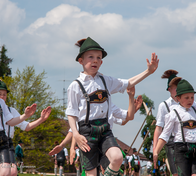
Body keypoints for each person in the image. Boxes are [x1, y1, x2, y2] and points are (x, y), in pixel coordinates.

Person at [66, 37, 158, 176]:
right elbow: (71, 113)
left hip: (105, 130)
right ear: (81, 61)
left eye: (98, 57)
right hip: (86, 133)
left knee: (117, 158)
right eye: (90, 57)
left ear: (101, 62)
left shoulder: (106, 81)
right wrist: (76, 134)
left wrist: (148, 72)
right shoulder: (75, 86)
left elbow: (128, 82)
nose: (95, 60)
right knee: (91, 174)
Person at [0, 80, 51, 176]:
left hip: (5, 142)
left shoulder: (10, 110)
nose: (1, 96)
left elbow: (26, 126)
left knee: (12, 172)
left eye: (4, 94)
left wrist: (41, 119)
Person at [153, 79, 196, 176]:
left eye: (192, 97)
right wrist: (156, 151)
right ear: (178, 98)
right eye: (187, 97)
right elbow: (165, 134)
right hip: (181, 150)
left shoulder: (194, 110)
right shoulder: (173, 114)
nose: (190, 100)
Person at [153, 69, 181, 176]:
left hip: (186, 141)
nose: (179, 90)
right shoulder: (164, 105)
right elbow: (159, 128)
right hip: (171, 142)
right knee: (176, 173)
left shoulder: (187, 103)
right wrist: (155, 149)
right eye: (176, 88)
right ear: (169, 89)